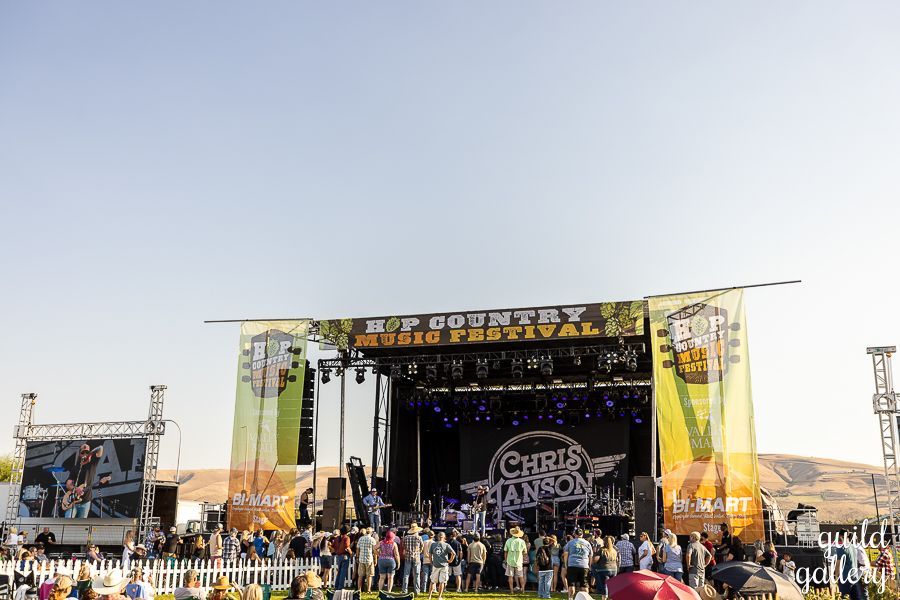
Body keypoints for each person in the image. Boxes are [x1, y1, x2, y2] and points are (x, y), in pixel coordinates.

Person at [563, 528, 592, 600]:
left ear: (575, 534)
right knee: (584, 585)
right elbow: (590, 556)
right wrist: (589, 566)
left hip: (572, 565)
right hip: (584, 565)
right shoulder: (587, 543)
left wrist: (566, 565)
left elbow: (566, 554)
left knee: (571, 584)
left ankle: (570, 598)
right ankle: (585, 598)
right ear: (582, 535)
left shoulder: (570, 543)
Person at [428, 531, 455, 600]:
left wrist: (431, 562)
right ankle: (439, 597)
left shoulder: (433, 544)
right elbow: (453, 553)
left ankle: (429, 596)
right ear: (444, 537)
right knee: (442, 582)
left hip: (435, 565)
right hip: (444, 565)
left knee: (432, 581)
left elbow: (430, 554)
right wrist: (450, 560)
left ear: (437, 537)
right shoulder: (446, 545)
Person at [401, 523, 424, 594]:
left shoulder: (405, 537)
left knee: (406, 574)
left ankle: (404, 590)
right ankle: (417, 590)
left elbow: (403, 546)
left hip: (408, 557)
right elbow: (422, 547)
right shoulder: (419, 538)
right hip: (416, 558)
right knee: (417, 574)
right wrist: (418, 552)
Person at [504, 527, 528, 594]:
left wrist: (505, 560)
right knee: (521, 576)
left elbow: (505, 551)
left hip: (510, 561)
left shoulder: (508, 541)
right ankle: (523, 590)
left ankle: (511, 591)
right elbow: (525, 552)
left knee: (510, 576)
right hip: (519, 561)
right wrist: (521, 554)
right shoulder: (522, 541)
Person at [356, 527, 376, 593]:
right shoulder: (372, 539)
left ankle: (359, 589)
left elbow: (357, 549)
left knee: (360, 576)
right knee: (369, 576)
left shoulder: (361, 539)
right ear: (371, 532)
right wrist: (375, 560)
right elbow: (374, 551)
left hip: (361, 559)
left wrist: (357, 557)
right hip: (369, 559)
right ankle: (368, 590)